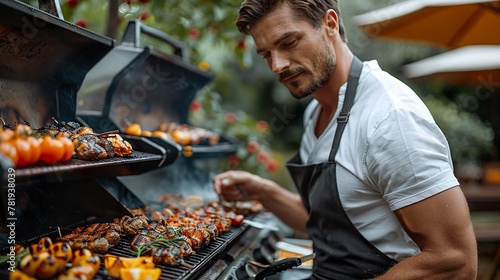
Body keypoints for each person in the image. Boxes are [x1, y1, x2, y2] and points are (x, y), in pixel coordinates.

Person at [212, 0, 478, 279]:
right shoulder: (316, 112)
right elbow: (331, 224)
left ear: (330, 24)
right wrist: (264, 192)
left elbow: (455, 261)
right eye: (266, 54)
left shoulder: (390, 119)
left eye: (289, 43)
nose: (277, 65)